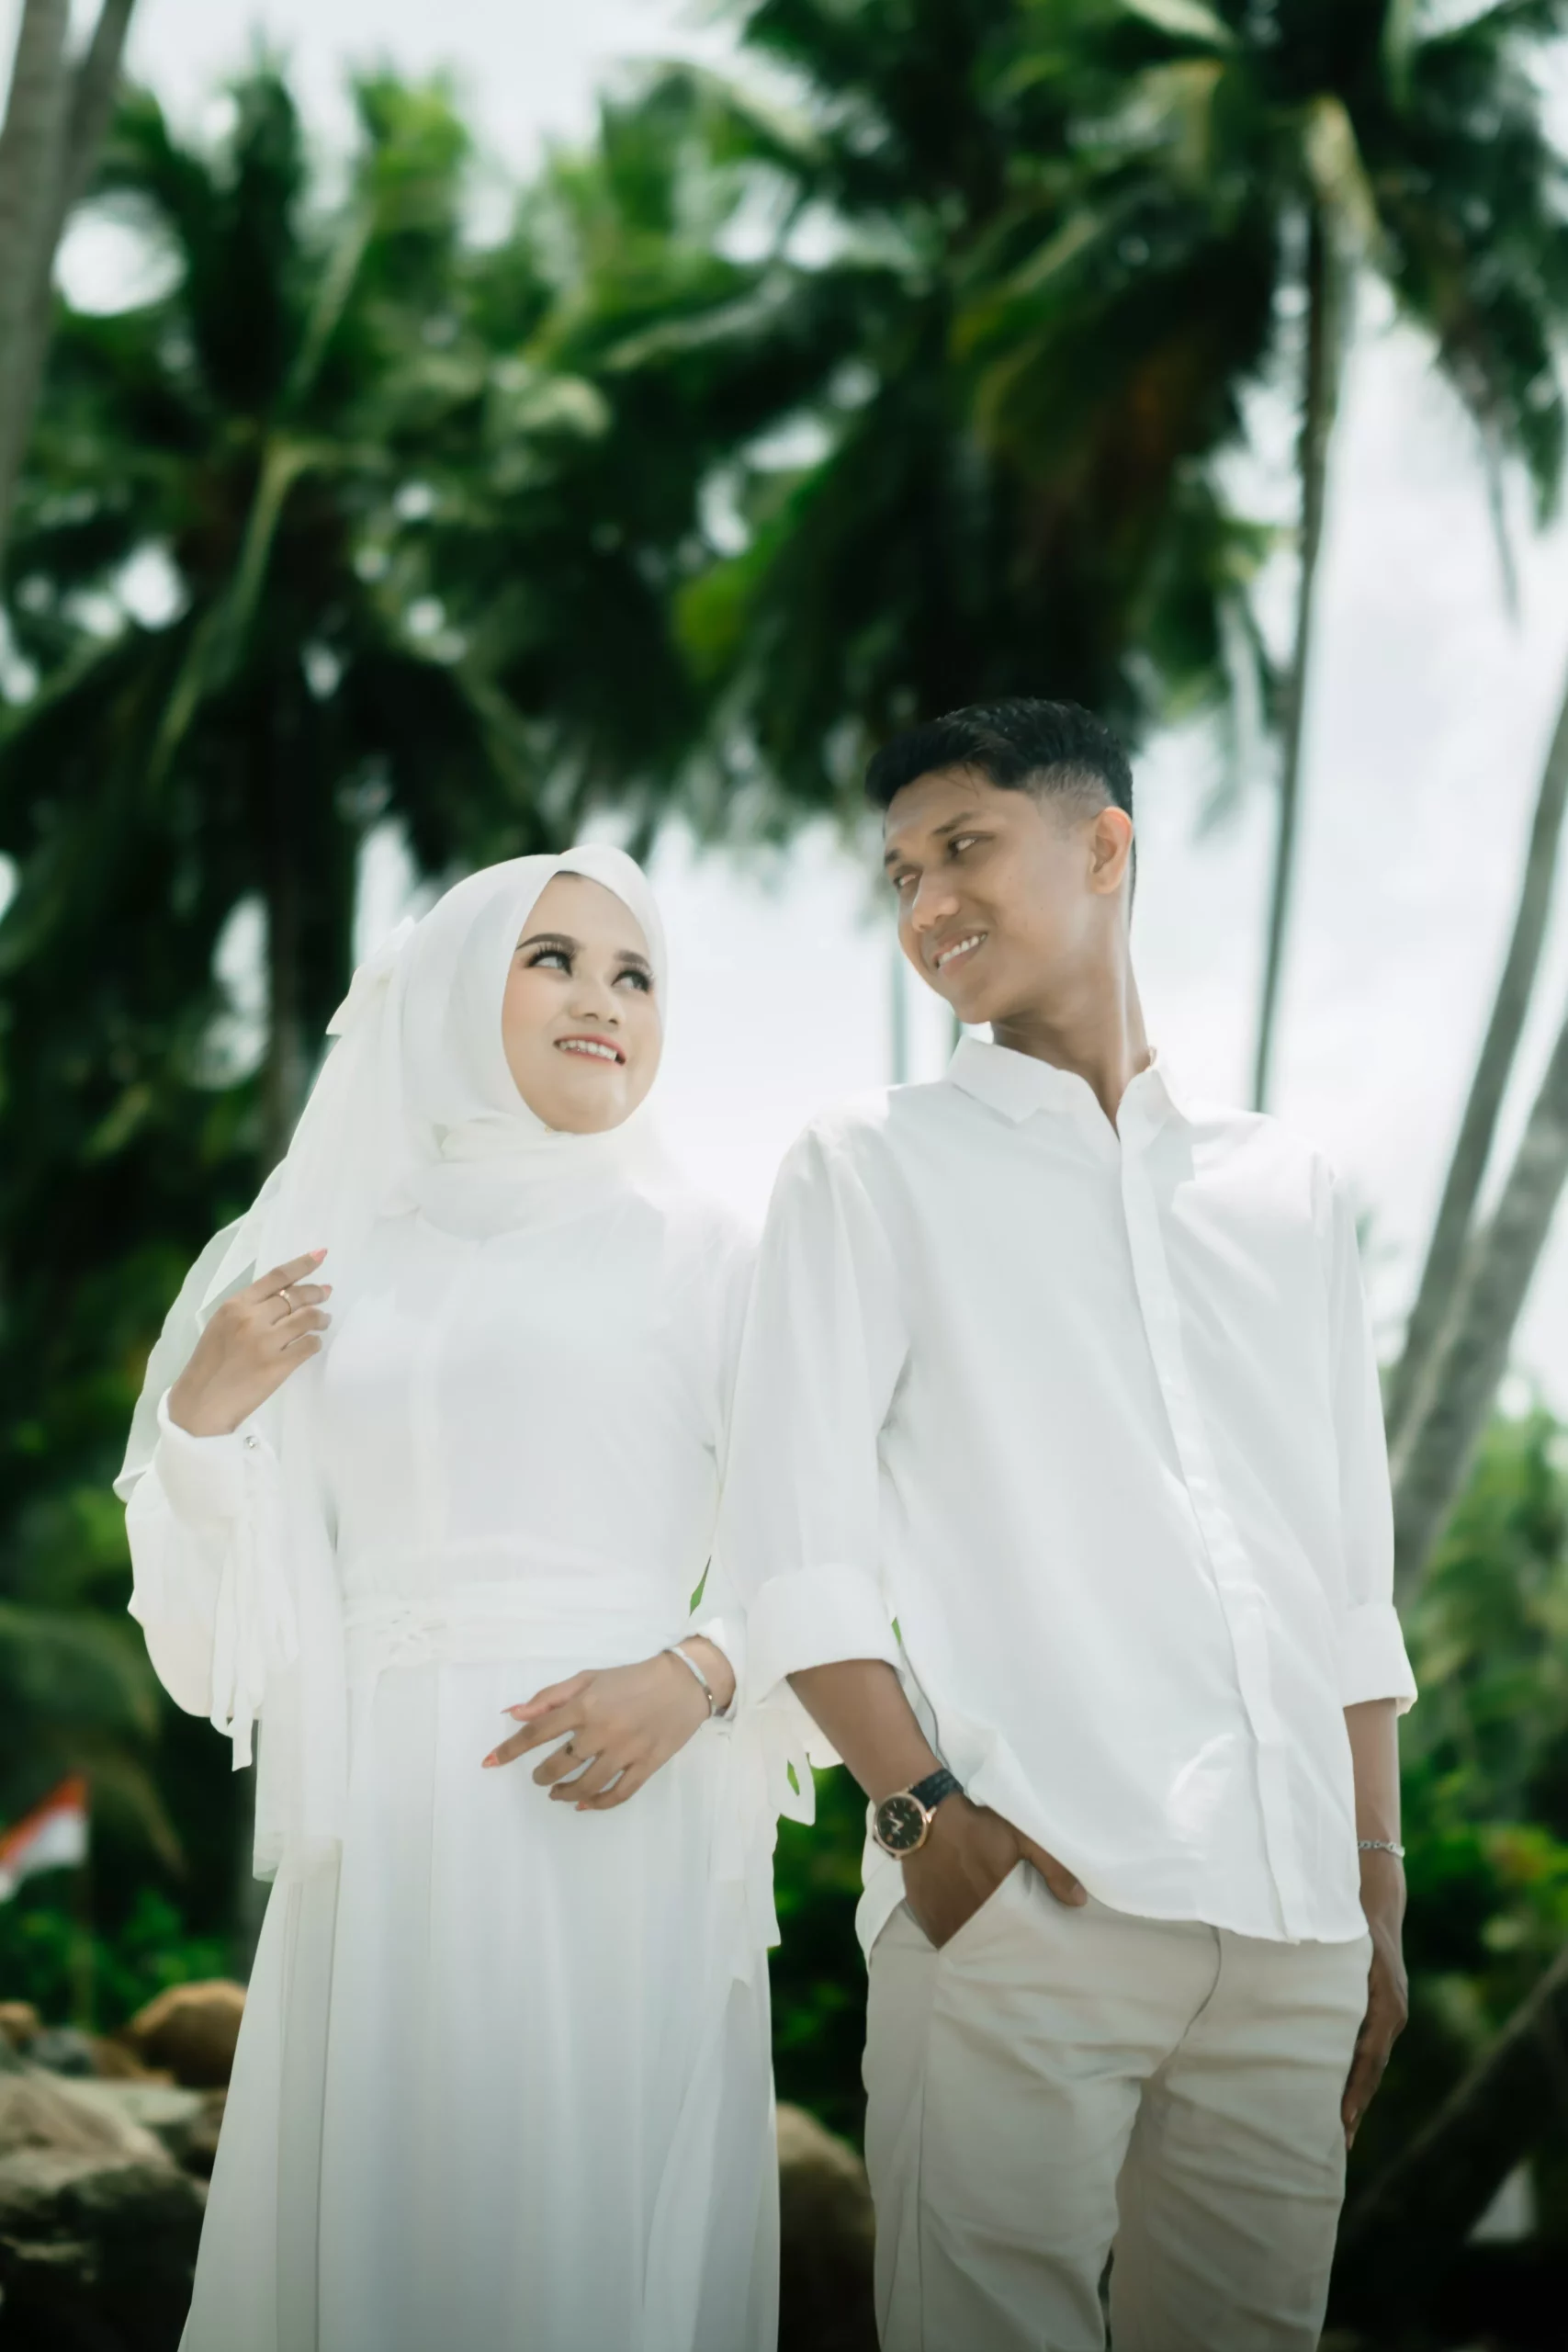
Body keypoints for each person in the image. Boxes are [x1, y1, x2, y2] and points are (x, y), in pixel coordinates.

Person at [720, 699, 1416, 2352]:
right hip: (1023, 1914)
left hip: (1294, 1939)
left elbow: (1345, 1584)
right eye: (900, 875)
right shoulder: (867, 1167)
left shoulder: (1285, 1193)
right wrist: (926, 1826)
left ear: (1104, 848)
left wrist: (1371, 1892)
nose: (926, 905)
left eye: (963, 847)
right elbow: (790, 1548)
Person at [117, 845, 801, 2352]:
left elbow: (815, 1543)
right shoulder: (319, 1261)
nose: (601, 1000)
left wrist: (697, 1674)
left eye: (635, 974)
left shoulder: (712, 1252)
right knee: (381, 2221)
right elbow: (222, 1627)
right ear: (444, 988)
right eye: (551, 959)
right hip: (379, 1815)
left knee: (578, 2222)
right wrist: (201, 1421)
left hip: (609, 1796)